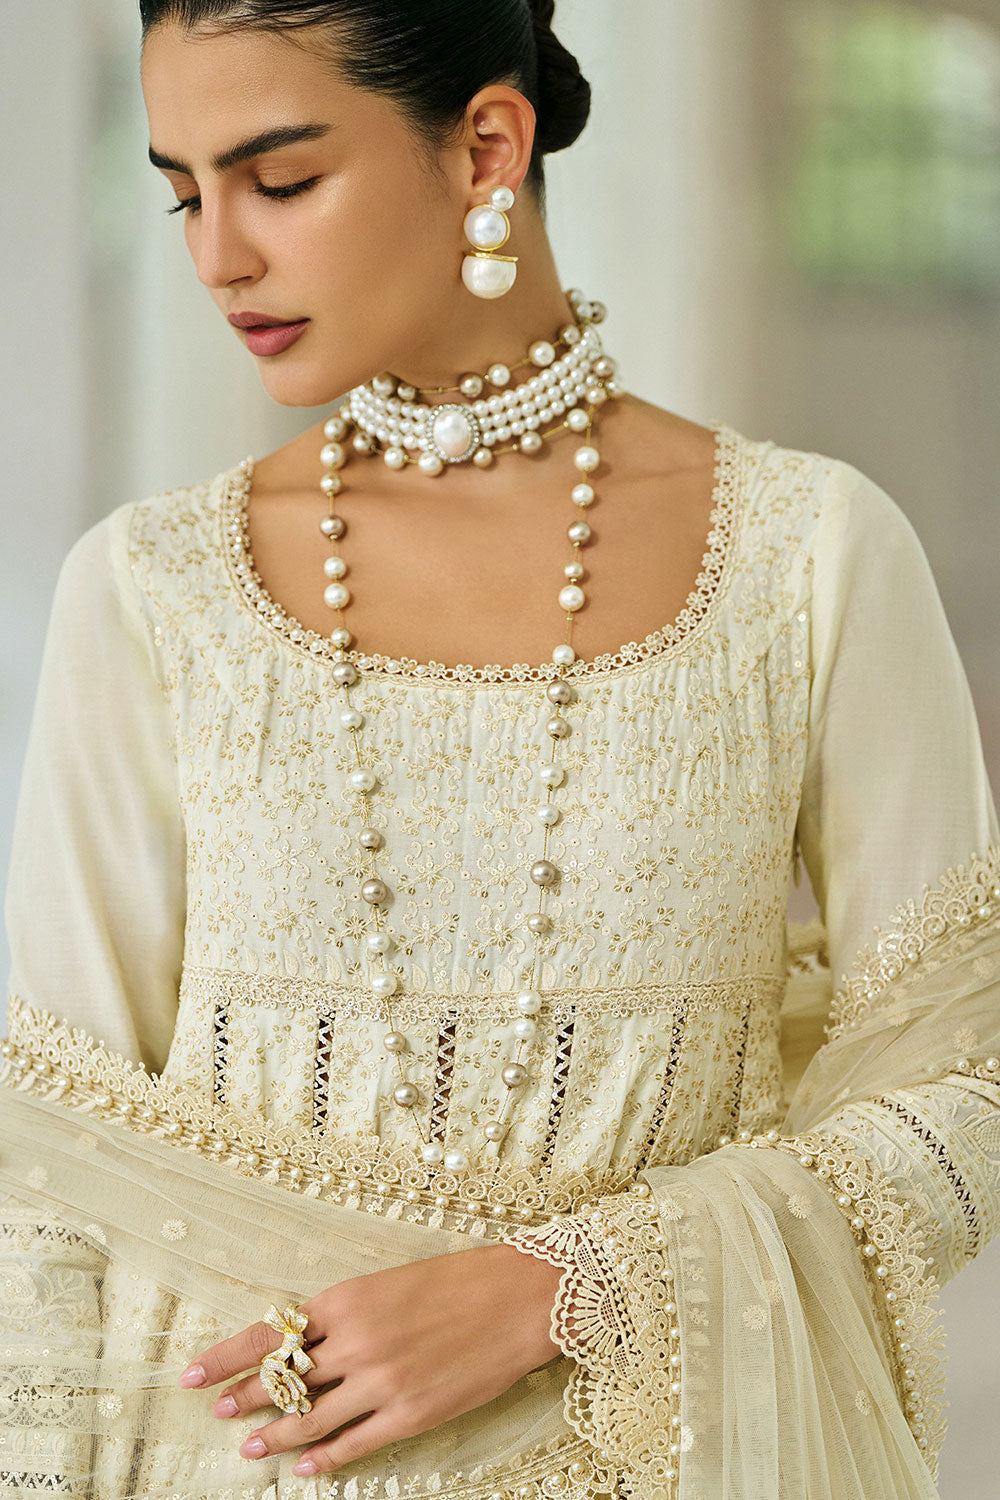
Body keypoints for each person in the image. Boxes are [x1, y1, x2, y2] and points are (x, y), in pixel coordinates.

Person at [1, 2, 998, 1496]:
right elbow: (49, 1184)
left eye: (280, 180)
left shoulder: (808, 558)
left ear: (485, 145)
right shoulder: (154, 590)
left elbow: (968, 1095)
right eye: (182, 193)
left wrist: (555, 1289)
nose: (218, 256)